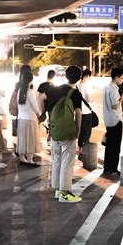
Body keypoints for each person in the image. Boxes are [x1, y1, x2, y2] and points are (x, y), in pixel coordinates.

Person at [43, 65, 83, 203]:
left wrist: (41, 114)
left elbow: (40, 98)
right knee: (67, 161)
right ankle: (65, 193)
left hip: (55, 130)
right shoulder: (76, 93)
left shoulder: (56, 89)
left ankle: (57, 190)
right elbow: (78, 114)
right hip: (67, 131)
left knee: (56, 160)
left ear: (66, 76)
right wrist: (78, 130)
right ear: (79, 78)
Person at [102, 67, 123, 175]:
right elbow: (115, 106)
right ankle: (113, 169)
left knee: (109, 146)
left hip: (108, 119)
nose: (122, 80)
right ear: (116, 77)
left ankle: (107, 168)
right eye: (122, 78)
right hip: (115, 120)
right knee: (115, 146)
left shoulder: (106, 87)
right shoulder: (113, 89)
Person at [17, 71, 42, 165]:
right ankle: (30, 160)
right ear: (30, 79)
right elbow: (35, 106)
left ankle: (22, 158)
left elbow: (18, 104)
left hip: (21, 118)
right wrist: (39, 115)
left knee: (23, 138)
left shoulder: (20, 90)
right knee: (31, 139)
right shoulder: (30, 91)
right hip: (30, 118)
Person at [76, 69, 93, 160]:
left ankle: (80, 151)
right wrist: (92, 100)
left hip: (78, 112)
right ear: (86, 76)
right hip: (86, 112)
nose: (90, 79)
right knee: (86, 132)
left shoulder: (77, 85)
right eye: (89, 77)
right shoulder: (86, 85)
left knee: (80, 131)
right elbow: (89, 98)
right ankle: (84, 153)